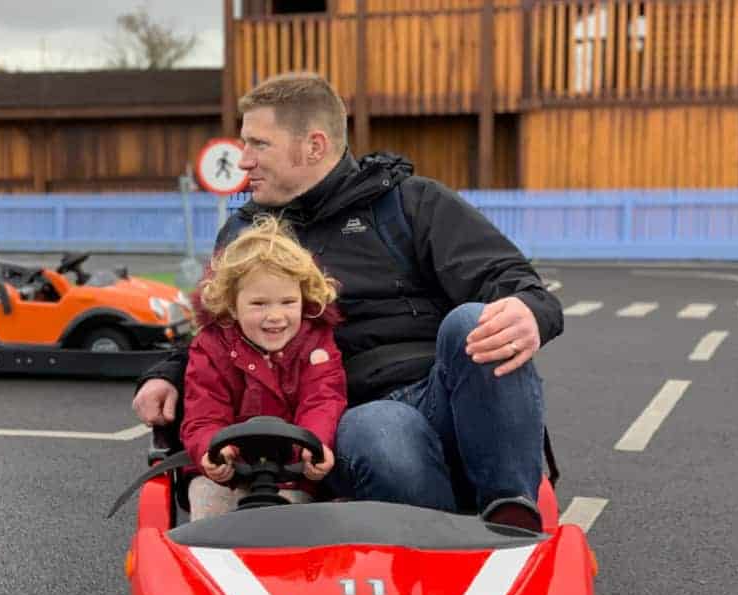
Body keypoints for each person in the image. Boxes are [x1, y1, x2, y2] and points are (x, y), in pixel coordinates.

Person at [134, 72, 564, 531]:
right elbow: (217, 328)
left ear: (314, 146)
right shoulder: (246, 234)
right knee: (379, 428)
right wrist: (166, 375)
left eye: (258, 144)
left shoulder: (411, 203)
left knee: (474, 321)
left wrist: (529, 312)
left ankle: (512, 515)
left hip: (443, 395)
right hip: (346, 416)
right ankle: (445, 542)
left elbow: (516, 281)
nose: (243, 161)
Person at [181, 215, 347, 521]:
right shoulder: (211, 347)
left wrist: (315, 444)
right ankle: (210, 561)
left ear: (304, 299)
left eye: (287, 302)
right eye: (259, 304)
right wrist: (214, 451)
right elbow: (204, 414)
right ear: (232, 305)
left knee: (298, 524)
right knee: (210, 511)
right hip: (225, 473)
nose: (275, 316)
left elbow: (322, 400)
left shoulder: (317, 346)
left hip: (292, 472)